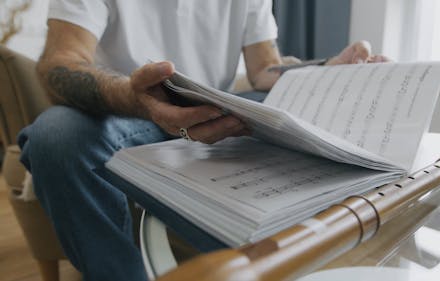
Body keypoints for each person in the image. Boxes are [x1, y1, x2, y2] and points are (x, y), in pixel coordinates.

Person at [18, 0, 386, 280]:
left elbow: (264, 71)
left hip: (215, 113)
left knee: (294, 109)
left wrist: (325, 68)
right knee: (56, 135)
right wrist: (134, 96)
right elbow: (60, 62)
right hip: (126, 111)